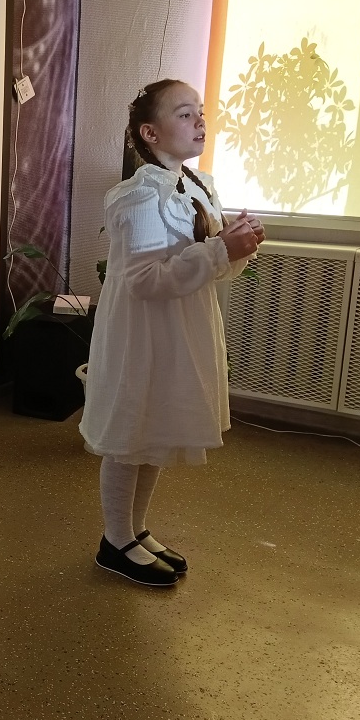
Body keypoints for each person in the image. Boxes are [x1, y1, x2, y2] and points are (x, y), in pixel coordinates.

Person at [79, 79, 265, 587]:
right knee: (131, 434)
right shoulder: (138, 196)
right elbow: (144, 280)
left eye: (199, 111)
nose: (200, 121)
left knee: (155, 429)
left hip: (180, 329)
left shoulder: (198, 185)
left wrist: (236, 248)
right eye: (184, 114)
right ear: (151, 132)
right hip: (143, 334)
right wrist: (220, 250)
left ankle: (136, 530)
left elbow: (208, 267)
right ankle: (115, 540)